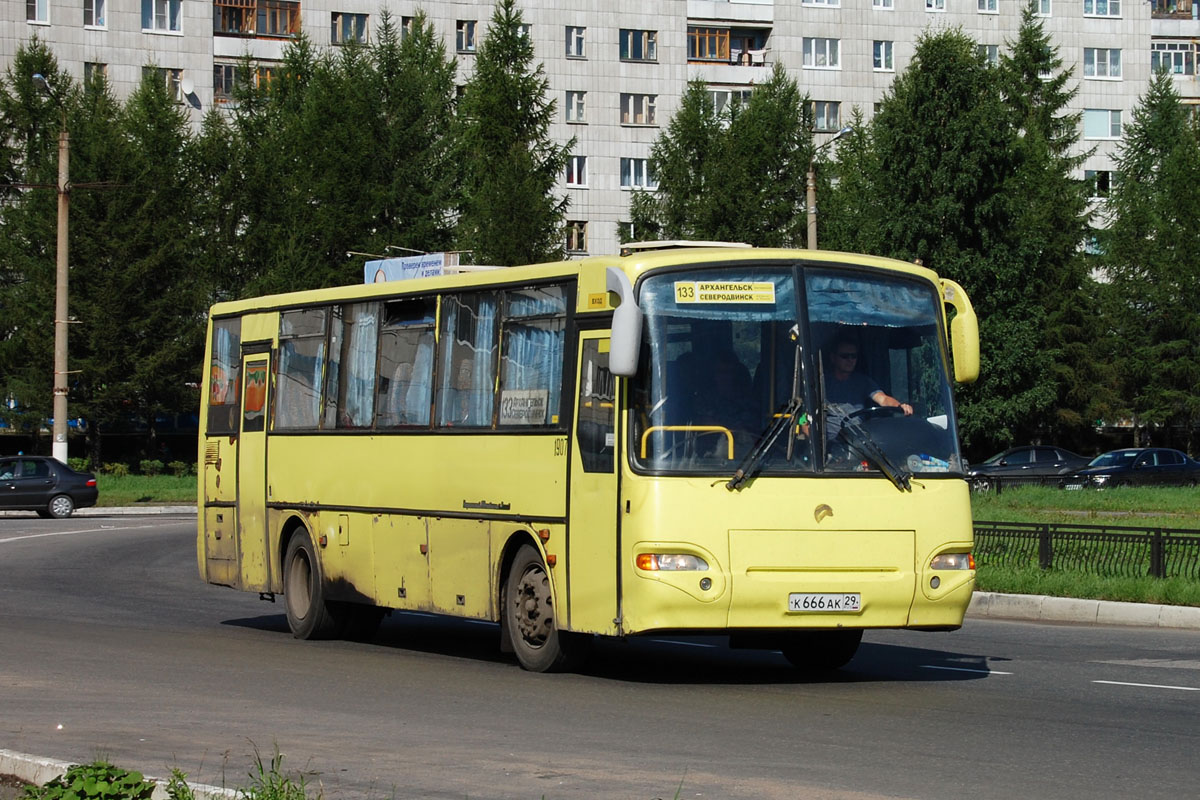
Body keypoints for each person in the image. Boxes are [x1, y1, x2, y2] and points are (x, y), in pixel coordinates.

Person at [825, 337, 912, 416]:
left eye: (853, 356)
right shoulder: (823, 384)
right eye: (845, 356)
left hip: (859, 432)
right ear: (833, 358)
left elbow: (883, 399)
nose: (850, 360)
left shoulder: (863, 382)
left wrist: (899, 406)